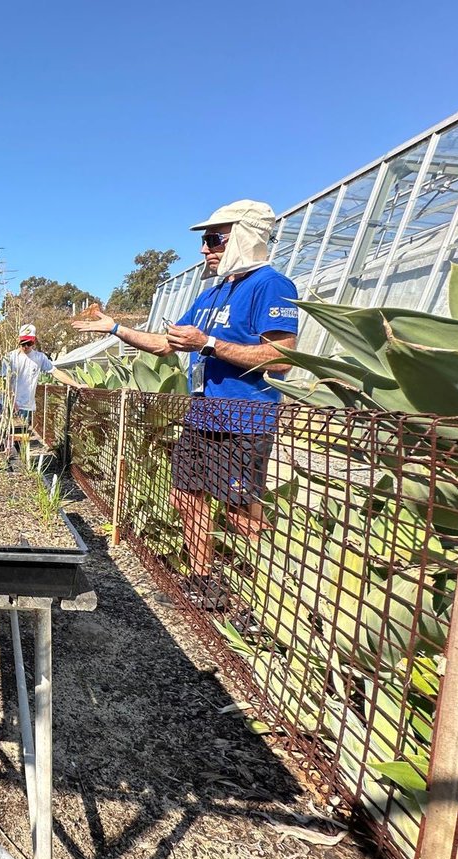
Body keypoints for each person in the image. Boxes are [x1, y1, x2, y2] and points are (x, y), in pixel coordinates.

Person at [73, 199, 298, 601]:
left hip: (244, 419)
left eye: (213, 239)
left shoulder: (270, 285)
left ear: (243, 237)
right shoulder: (212, 295)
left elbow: (281, 358)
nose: (204, 249)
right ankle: (203, 580)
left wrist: (209, 344)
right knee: (184, 497)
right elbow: (165, 344)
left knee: (241, 513)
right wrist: (116, 329)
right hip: (202, 415)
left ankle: (263, 595)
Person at [1, 324, 78, 427]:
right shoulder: (10, 357)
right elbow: (5, 381)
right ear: (18, 341)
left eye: (29, 343)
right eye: (23, 343)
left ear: (33, 342)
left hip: (27, 406)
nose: (26, 346)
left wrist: (76, 384)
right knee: (7, 434)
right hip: (8, 404)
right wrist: (11, 401)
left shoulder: (40, 358)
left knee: (24, 434)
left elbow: (55, 372)